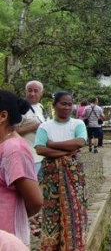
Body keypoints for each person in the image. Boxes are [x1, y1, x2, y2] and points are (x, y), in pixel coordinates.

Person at [35, 91, 87, 250]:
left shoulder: (78, 124)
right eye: (63, 103)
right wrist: (66, 153)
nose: (66, 107)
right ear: (54, 105)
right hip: (52, 177)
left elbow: (80, 142)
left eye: (69, 104)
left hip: (73, 175)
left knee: (75, 209)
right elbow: (40, 149)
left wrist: (52, 145)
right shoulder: (45, 126)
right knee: (51, 211)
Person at [0, 90, 43, 247]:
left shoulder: (14, 150)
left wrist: (16, 214)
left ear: (3, 116)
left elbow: (35, 201)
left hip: (7, 237)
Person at [15, 80, 46, 237]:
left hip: (39, 155)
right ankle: (26, 223)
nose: (32, 94)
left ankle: (32, 220)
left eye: (35, 91)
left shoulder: (40, 108)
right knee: (26, 192)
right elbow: (12, 131)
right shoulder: (21, 109)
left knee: (36, 188)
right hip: (26, 155)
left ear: (41, 93)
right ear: (25, 91)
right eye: (29, 90)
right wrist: (32, 127)